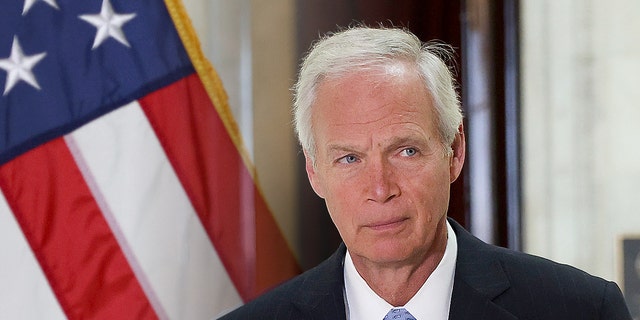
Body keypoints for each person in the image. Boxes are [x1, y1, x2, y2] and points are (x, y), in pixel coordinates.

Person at [219, 26, 632, 320]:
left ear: (454, 152)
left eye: (406, 150)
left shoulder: (581, 310)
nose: (380, 189)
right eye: (349, 159)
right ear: (314, 172)